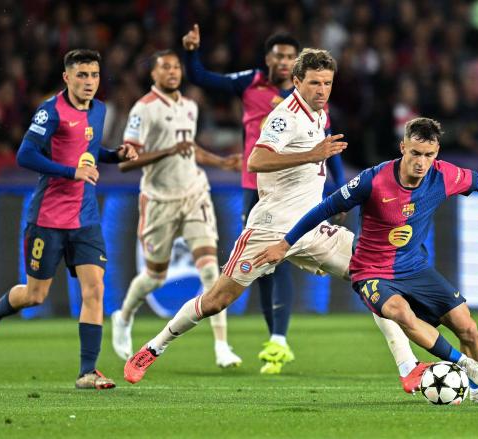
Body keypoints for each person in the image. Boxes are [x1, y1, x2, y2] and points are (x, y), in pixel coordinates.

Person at [124, 49, 431, 391]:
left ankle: (408, 367)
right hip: (271, 229)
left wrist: (333, 190)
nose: (321, 90)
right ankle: (153, 347)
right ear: (297, 82)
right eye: (314, 83)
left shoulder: (320, 113)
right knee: (216, 301)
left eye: (327, 83)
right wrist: (312, 154)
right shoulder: (285, 116)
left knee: (373, 282)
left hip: (313, 229)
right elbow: (256, 159)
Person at [254, 117, 478, 403]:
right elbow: (324, 209)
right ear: (403, 147)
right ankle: (462, 363)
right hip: (370, 271)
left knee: (468, 327)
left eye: (428, 155)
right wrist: (285, 243)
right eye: (415, 153)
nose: (421, 162)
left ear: (437, 152)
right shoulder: (373, 179)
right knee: (399, 312)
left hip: (414, 268)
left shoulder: (444, 176)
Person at [181, 25, 347, 373]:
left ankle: (279, 338)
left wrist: (340, 184)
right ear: (268, 58)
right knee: (263, 265)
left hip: (299, 186)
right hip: (254, 183)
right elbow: (201, 77)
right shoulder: (250, 83)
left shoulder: (312, 101)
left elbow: (326, 145)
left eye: (290, 56)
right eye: (279, 55)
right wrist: (192, 53)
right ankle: (273, 336)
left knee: (281, 256)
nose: (284, 61)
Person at [0, 49, 138, 389]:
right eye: (81, 75)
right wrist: (70, 172)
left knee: (95, 290)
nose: (89, 82)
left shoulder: (100, 109)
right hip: (48, 218)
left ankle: (87, 372)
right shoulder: (51, 112)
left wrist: (114, 154)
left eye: (93, 75)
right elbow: (25, 154)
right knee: (35, 295)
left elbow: (89, 153)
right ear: (67, 77)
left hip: (86, 219)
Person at [111, 49, 243, 368]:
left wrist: (220, 161)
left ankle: (222, 347)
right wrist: (168, 150)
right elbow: (127, 163)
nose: (172, 72)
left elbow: (189, 149)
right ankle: (124, 315)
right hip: (159, 199)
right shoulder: (144, 110)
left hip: (195, 192)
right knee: (155, 276)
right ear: (153, 74)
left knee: (211, 270)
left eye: (176, 67)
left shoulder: (189, 106)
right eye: (165, 67)